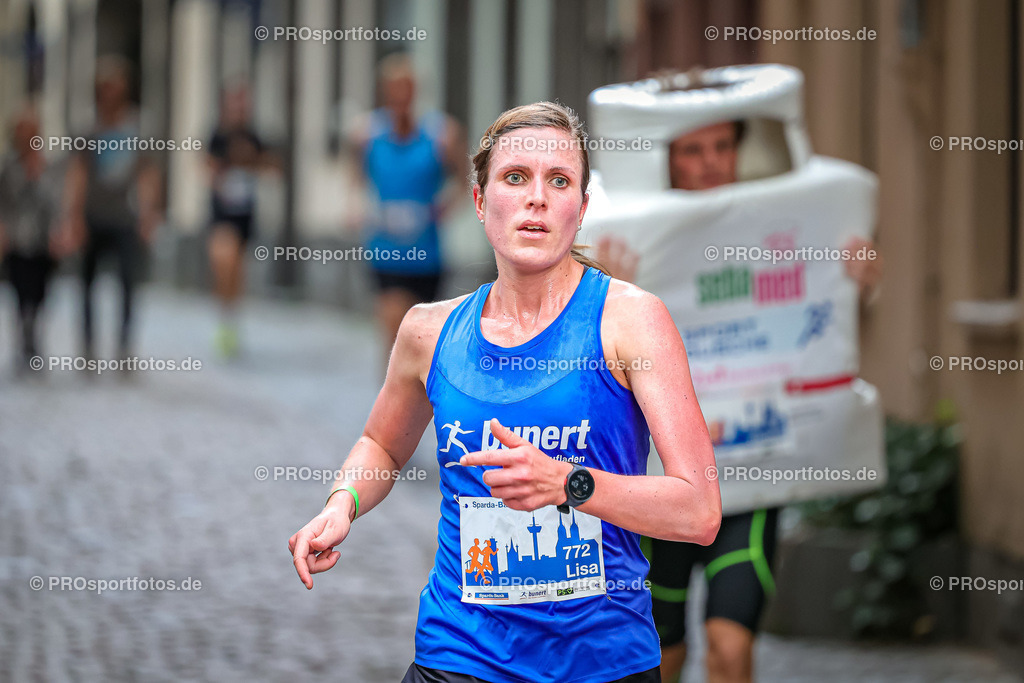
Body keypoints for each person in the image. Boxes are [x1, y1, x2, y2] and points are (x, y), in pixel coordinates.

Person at [289, 102, 722, 683]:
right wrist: (341, 504)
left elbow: (698, 510)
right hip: (458, 656)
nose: (536, 198)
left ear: (582, 208)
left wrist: (567, 484)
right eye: (515, 177)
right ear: (479, 201)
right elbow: (382, 445)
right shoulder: (428, 331)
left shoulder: (630, 322)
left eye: (559, 181)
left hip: (598, 663)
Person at [598, 118, 881, 683]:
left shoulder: (784, 226)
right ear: (667, 159)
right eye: (693, 150)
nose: (710, 162)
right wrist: (605, 295)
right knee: (663, 655)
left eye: (722, 146)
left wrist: (856, 290)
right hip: (661, 483)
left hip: (748, 479)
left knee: (732, 648)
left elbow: (825, 343)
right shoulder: (627, 238)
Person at [351, 54, 466, 371]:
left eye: (406, 89)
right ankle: (389, 404)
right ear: (384, 92)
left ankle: (416, 400)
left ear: (416, 92)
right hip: (385, 249)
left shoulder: (441, 134)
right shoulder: (367, 135)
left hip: (427, 253)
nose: (400, 96)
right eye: (393, 89)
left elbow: (466, 181)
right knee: (392, 324)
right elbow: (356, 182)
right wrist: (358, 210)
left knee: (423, 339)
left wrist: (444, 206)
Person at [63, 56, 161, 361]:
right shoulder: (89, 126)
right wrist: (74, 215)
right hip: (94, 214)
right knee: (87, 284)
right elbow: (77, 173)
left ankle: (124, 344)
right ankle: (89, 344)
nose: (110, 92)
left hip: (125, 215)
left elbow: (148, 173)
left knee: (128, 283)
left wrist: (148, 213)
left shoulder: (138, 125)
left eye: (116, 86)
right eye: (105, 87)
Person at [206, 84, 274, 357]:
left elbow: (271, 166)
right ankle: (224, 319)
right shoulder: (218, 136)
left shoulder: (253, 135)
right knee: (224, 262)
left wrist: (251, 161)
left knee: (236, 270)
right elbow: (207, 170)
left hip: (244, 215)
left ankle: (230, 321)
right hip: (221, 214)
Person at [0, 105, 65, 372]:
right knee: (19, 292)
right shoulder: (7, 167)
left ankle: (34, 334)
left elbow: (55, 202)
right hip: (17, 239)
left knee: (40, 293)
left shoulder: (47, 166)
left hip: (42, 240)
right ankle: (25, 340)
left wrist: (60, 232)